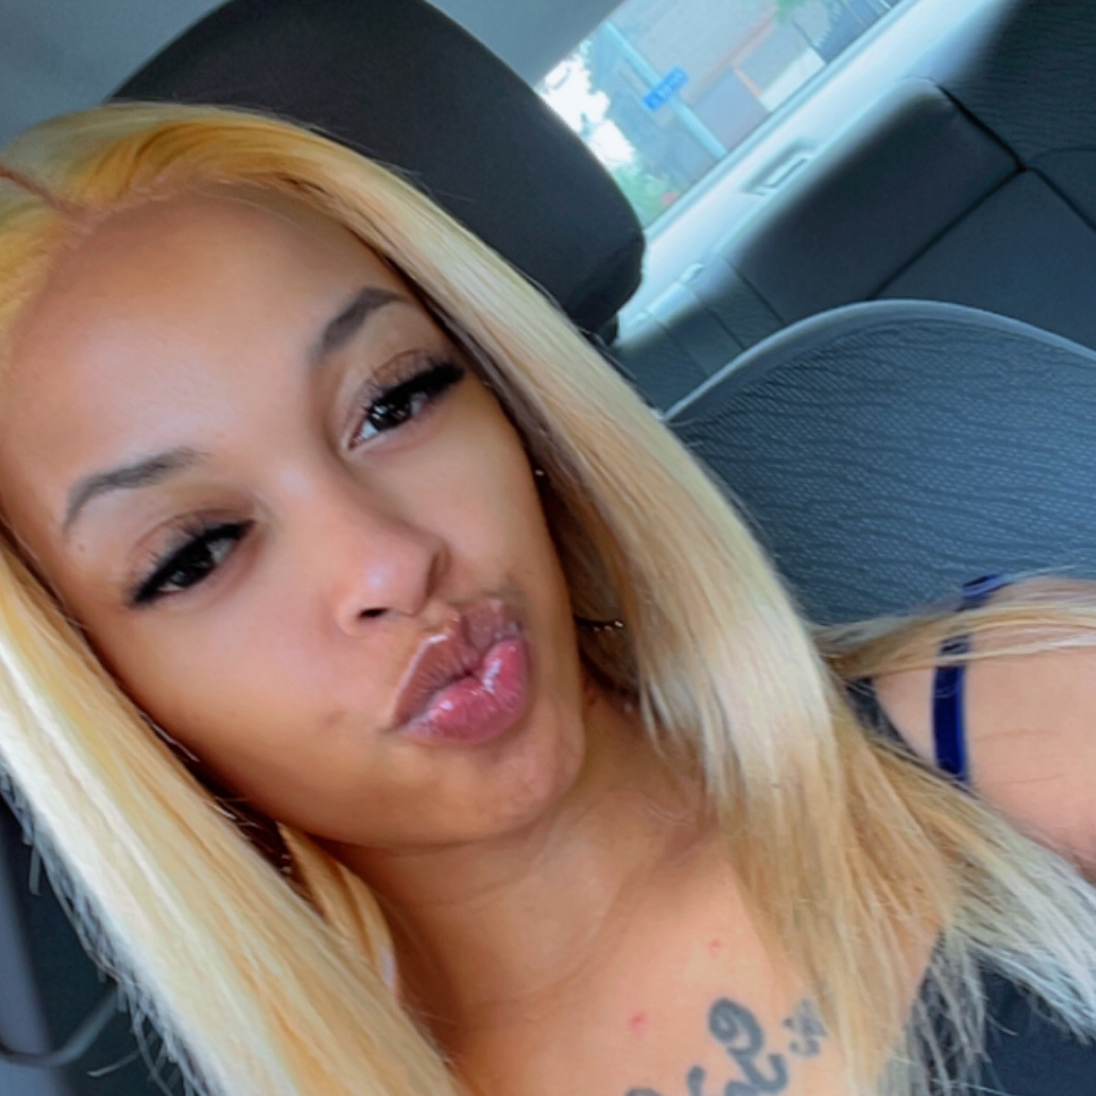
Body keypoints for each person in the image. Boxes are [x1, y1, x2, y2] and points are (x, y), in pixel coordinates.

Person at [0, 101, 1094, 1096]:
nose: (389, 563)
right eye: (196, 554)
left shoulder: (1027, 722)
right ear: (109, 696)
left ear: (515, 405)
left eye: (396, 401)